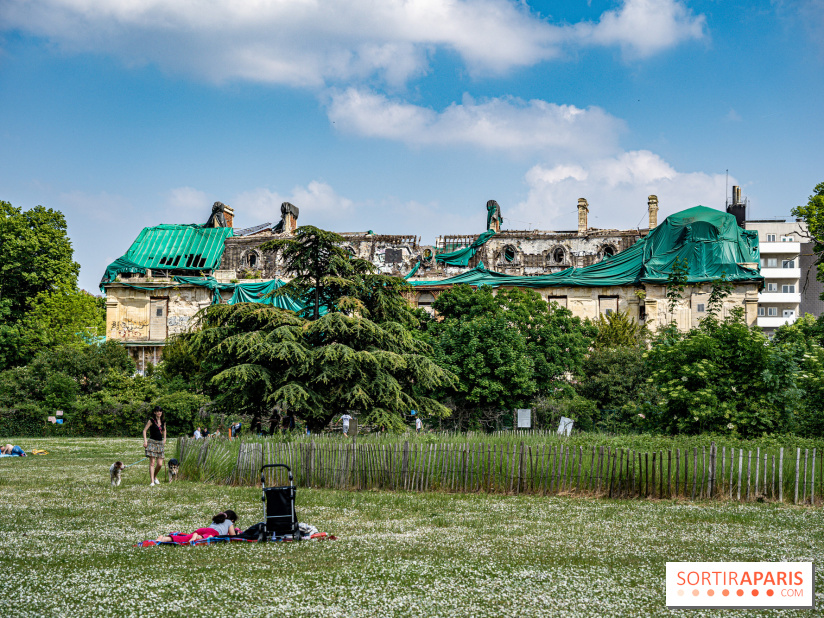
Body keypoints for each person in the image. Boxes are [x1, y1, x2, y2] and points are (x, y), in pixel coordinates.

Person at [156, 510, 238, 544]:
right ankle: (198, 537)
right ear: (232, 520)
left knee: (186, 537)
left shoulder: (218, 519)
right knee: (208, 537)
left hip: (203, 529)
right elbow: (233, 536)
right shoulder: (229, 522)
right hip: (213, 532)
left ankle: (164, 539)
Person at [142, 406, 166, 486]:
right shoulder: (151, 421)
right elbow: (144, 431)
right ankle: (152, 481)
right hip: (152, 443)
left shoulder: (163, 421)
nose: (159, 412)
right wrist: (145, 441)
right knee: (152, 463)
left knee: (160, 464)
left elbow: (164, 430)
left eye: (160, 411)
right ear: (154, 412)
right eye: (157, 411)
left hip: (160, 443)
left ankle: (155, 476)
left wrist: (165, 439)